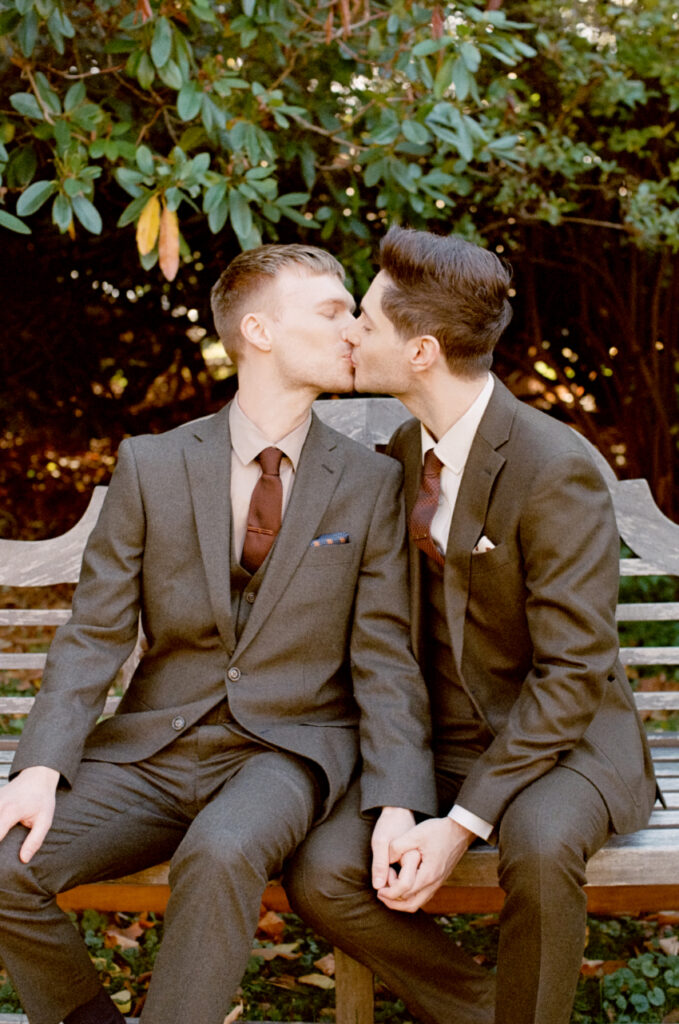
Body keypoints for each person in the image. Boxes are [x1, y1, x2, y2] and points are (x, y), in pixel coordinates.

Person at [0, 243, 437, 1024]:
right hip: (154, 749)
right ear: (258, 332)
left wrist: (399, 798)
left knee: (221, 850)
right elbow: (95, 633)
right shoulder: (152, 465)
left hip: (289, 751)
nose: (354, 328)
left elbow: (385, 659)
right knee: (5, 870)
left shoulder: (370, 482)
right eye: (331, 311)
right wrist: (39, 767)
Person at [285, 227, 657, 1024]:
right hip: (443, 743)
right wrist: (396, 792)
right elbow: (387, 636)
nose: (350, 332)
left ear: (420, 352)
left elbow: (573, 672)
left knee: (541, 846)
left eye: (365, 321)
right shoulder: (402, 448)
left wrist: (459, 824)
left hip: (562, 742)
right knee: (320, 873)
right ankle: (494, 1011)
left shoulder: (553, 467)